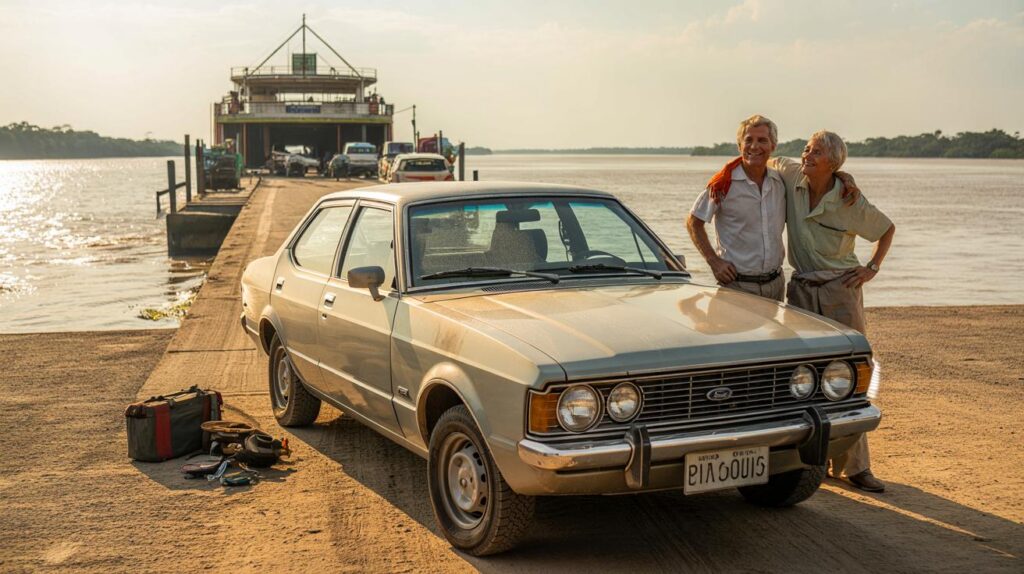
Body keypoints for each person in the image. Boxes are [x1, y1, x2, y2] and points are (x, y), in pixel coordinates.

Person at [772, 130, 896, 493]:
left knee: (851, 376)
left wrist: (872, 268)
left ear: (834, 162)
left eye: (817, 152)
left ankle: (856, 467)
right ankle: (810, 462)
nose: (807, 154)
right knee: (802, 377)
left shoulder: (849, 198)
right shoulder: (792, 174)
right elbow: (760, 158)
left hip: (841, 289)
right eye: (807, 149)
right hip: (801, 289)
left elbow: (886, 230)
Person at [687, 115, 788, 300]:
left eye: (762, 140)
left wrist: (845, 179)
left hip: (776, 285)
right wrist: (714, 261)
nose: (754, 146)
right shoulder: (723, 184)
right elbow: (694, 222)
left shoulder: (780, 182)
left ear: (773, 146)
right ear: (739, 146)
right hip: (737, 287)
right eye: (748, 140)